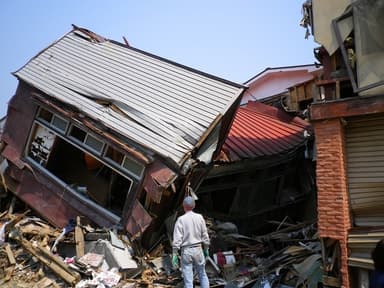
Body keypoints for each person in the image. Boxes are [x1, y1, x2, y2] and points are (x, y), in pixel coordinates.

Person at [172, 196, 210, 288]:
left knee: (188, 280)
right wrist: (206, 248)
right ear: (194, 205)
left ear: (183, 206)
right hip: (198, 249)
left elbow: (177, 239)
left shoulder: (181, 219)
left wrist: (175, 254)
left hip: (186, 251)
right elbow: (205, 235)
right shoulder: (200, 217)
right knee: (202, 274)